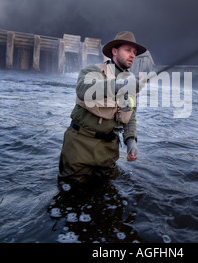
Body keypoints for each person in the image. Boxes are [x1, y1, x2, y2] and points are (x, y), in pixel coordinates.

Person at [58, 31, 147, 184]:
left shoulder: (131, 83)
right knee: (72, 196)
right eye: (128, 50)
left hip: (108, 152)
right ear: (114, 51)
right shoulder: (92, 71)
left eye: (134, 52)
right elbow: (83, 90)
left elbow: (130, 116)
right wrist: (121, 85)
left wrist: (131, 141)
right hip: (79, 147)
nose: (132, 55)